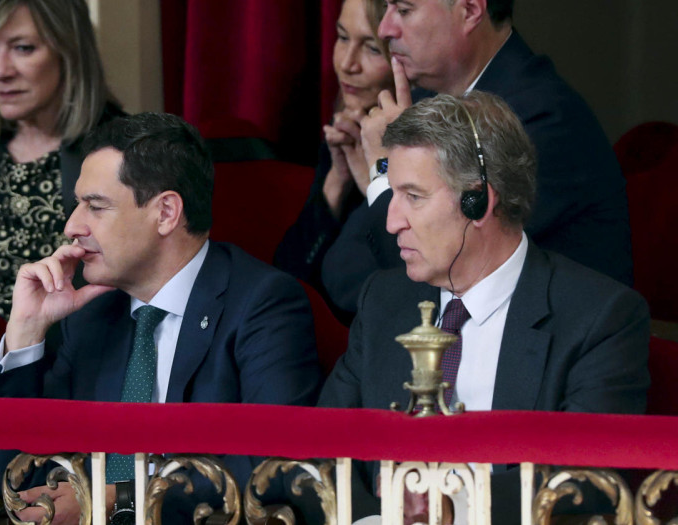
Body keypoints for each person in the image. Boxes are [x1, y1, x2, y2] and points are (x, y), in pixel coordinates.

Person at [317, 93, 649, 524]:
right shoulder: (383, 301)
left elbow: (588, 486)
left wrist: (453, 510)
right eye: (391, 192)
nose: (391, 221)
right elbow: (318, 458)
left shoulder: (600, 318)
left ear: (478, 201)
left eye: (413, 196)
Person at [0, 113, 322, 525]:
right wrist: (26, 331)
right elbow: (16, 474)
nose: (72, 226)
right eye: (77, 204)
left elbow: (274, 467)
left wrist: (116, 499)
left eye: (95, 206)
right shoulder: (91, 313)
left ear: (166, 212)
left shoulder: (262, 303)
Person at [319, 0, 632, 314]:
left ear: (470, 10)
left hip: (543, 353)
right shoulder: (420, 101)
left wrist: (384, 168)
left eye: (403, 10)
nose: (385, 29)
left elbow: (423, 286)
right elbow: (340, 270)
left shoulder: (542, 120)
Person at [0, 0, 124, 319]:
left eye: (23, 48)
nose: (0, 71)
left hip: (78, 357)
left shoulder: (119, 148)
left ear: (69, 51)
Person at [273, 0, 393, 297]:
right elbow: (287, 277)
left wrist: (375, 186)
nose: (347, 64)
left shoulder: (421, 145)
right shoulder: (346, 123)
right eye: (342, 38)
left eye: (372, 48)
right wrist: (335, 184)